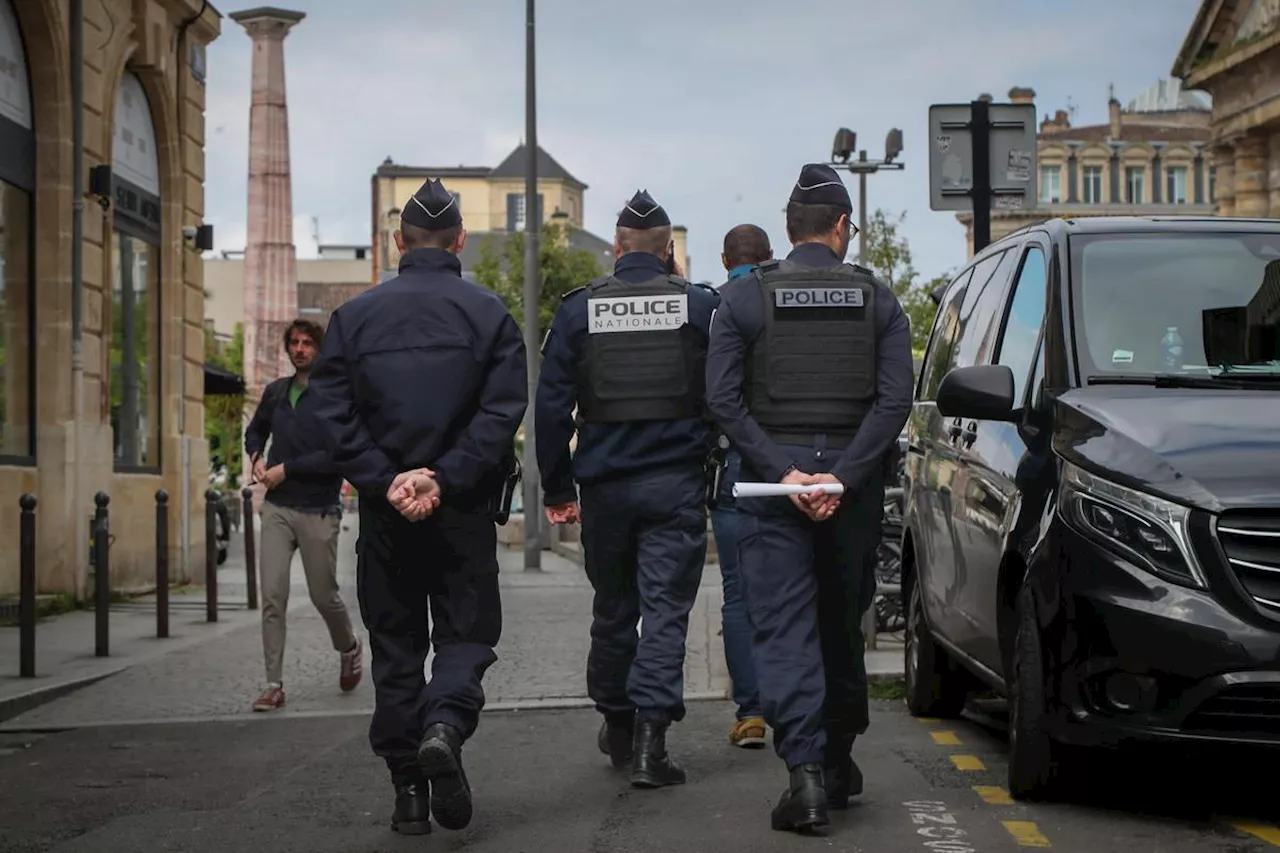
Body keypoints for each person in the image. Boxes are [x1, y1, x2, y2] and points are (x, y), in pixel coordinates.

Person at [306, 177, 528, 836]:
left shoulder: (353, 318)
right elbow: (501, 411)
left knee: (396, 646)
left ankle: (408, 791)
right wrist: (444, 476)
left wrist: (386, 480)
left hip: (384, 516)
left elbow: (330, 412)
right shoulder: (489, 314)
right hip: (460, 509)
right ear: (459, 240)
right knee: (465, 634)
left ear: (398, 242)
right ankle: (445, 723)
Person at [704, 163, 914, 832]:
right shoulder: (878, 299)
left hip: (772, 493)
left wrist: (787, 471)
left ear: (789, 230)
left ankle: (807, 778)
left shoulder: (742, 301)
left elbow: (722, 400)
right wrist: (843, 476)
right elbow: (894, 401)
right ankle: (839, 758)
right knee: (840, 627)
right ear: (843, 227)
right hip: (849, 496)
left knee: (786, 631)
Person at [536, 189, 720, 789]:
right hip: (675, 487)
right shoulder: (698, 308)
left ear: (616, 247)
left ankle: (617, 721)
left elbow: (550, 411)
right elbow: (725, 398)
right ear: (670, 252)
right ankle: (651, 743)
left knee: (614, 612)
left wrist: (558, 489)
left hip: (606, 491)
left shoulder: (578, 311)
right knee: (665, 614)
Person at [243, 318, 362, 713]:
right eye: (293, 342)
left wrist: (287, 469)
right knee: (273, 596)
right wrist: (257, 455)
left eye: (307, 343)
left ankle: (349, 646)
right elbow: (255, 431)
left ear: (319, 348)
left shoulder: (333, 397)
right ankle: (272, 684)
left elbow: (337, 454)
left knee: (323, 595)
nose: (299, 349)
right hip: (277, 508)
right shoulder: (276, 393)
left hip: (317, 508)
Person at [711, 224, 773, 749]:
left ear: (724, 259)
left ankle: (750, 712)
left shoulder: (713, 307)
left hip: (732, 467)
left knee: (737, 592)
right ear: (769, 256)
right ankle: (798, 703)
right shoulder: (783, 299)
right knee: (794, 584)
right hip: (789, 464)